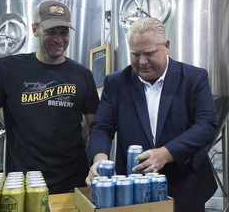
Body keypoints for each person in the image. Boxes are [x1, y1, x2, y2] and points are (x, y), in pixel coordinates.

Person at [0, 0, 99, 194]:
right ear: (35, 29)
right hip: (22, 186)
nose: (59, 39)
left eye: (64, 32)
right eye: (51, 32)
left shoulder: (82, 74)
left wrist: (99, 162)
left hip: (74, 184)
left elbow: (97, 127)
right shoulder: (8, 68)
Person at [86, 17, 218, 212]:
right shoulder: (116, 83)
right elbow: (102, 127)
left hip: (186, 185)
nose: (141, 62)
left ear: (166, 46)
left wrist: (165, 154)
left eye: (149, 54)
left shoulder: (193, 78)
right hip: (132, 190)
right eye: (135, 54)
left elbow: (206, 124)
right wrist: (99, 160)